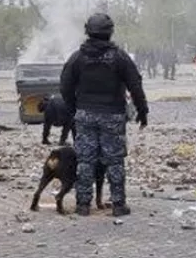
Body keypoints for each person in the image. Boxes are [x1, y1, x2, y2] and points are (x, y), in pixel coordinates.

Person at [60, 13, 148, 217]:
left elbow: (65, 86)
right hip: (113, 115)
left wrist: (75, 108)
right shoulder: (119, 57)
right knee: (115, 161)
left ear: (87, 31)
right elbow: (135, 85)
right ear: (110, 32)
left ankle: (83, 205)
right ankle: (118, 205)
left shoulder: (77, 57)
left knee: (85, 160)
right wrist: (142, 111)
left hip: (85, 115)